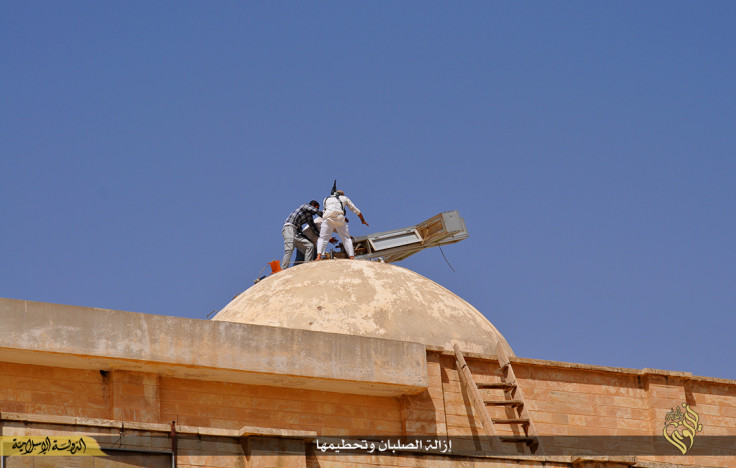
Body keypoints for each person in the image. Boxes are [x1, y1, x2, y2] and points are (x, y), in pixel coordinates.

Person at [316, 190, 368, 260]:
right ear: (342, 195)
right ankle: (351, 257)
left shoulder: (326, 198)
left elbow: (326, 210)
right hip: (339, 219)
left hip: (328, 219)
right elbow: (355, 210)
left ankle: (318, 256)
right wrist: (362, 220)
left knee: (322, 238)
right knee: (346, 239)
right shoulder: (344, 198)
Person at [281, 201, 321, 269]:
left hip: (296, 233)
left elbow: (313, 228)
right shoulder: (304, 206)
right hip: (289, 227)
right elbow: (312, 209)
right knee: (290, 248)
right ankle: (283, 269)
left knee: (310, 246)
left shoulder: (309, 217)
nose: (314, 214)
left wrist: (323, 237)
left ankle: (307, 266)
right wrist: (320, 213)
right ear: (313, 205)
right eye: (316, 208)